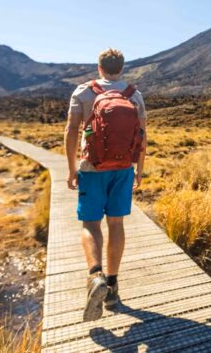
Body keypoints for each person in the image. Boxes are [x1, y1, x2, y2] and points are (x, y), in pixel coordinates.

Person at [65, 48, 147, 321]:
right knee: (116, 224)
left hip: (92, 168)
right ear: (121, 68)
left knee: (90, 224)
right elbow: (142, 136)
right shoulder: (134, 95)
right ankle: (112, 285)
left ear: (99, 67)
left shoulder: (83, 92)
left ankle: (95, 277)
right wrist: (140, 170)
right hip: (123, 169)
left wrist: (71, 169)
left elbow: (72, 130)